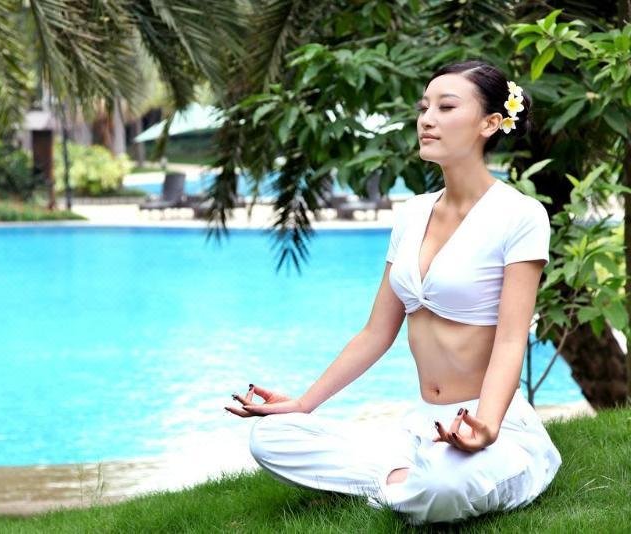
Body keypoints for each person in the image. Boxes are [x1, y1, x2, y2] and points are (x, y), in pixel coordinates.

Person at [224, 60, 562, 525]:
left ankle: (412, 483)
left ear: (489, 123)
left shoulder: (519, 215)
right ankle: (406, 481)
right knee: (271, 438)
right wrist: (303, 404)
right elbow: (375, 333)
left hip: (493, 422)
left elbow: (510, 339)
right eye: (424, 107)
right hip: (421, 424)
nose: (427, 119)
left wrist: (486, 426)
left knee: (445, 485)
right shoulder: (412, 214)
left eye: (446, 107)